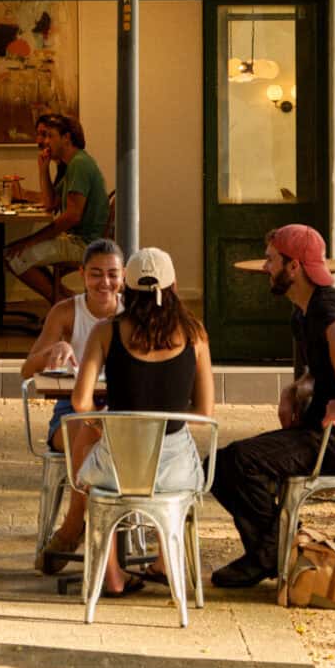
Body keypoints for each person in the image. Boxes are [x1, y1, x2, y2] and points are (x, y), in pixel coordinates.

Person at [210, 224, 335, 589]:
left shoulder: (326, 307)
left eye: (271, 260)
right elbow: (322, 367)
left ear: (294, 267)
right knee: (221, 464)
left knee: (236, 463)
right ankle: (275, 551)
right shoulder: (303, 311)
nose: (265, 268)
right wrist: (297, 388)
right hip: (321, 431)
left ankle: (271, 553)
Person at [69, 247, 214, 597]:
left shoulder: (106, 332)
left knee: (92, 478)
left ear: (125, 289)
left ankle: (113, 576)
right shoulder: (195, 334)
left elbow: (80, 401)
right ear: (174, 286)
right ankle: (165, 562)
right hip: (174, 470)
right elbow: (206, 412)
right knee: (177, 478)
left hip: (118, 467)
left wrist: (103, 425)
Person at [24, 240, 126, 568]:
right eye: (96, 274)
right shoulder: (67, 312)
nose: (104, 283)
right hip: (70, 413)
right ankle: (86, 537)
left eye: (112, 274)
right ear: (81, 275)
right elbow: (27, 370)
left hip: (119, 411)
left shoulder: (131, 314)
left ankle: (72, 527)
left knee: (105, 432)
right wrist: (53, 352)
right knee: (92, 432)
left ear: (124, 276)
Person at [5, 113, 111, 304]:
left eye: (48, 135)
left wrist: (30, 241)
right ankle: (69, 300)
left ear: (67, 138)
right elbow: (50, 203)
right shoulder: (72, 164)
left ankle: (64, 303)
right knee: (13, 253)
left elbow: (72, 217)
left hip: (83, 244)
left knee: (12, 257)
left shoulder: (79, 164)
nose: (43, 142)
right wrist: (43, 169)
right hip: (76, 239)